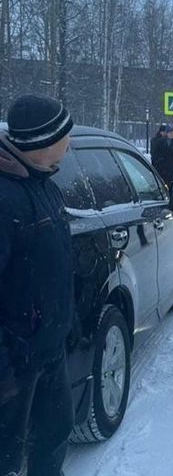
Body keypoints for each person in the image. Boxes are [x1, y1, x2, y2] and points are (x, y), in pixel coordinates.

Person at [0, 94, 75, 476]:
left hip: (48, 349)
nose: (69, 144)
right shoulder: (6, 198)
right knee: (8, 459)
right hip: (15, 366)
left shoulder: (44, 185)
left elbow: (54, 267)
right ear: (44, 143)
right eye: (65, 136)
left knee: (54, 436)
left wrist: (65, 324)